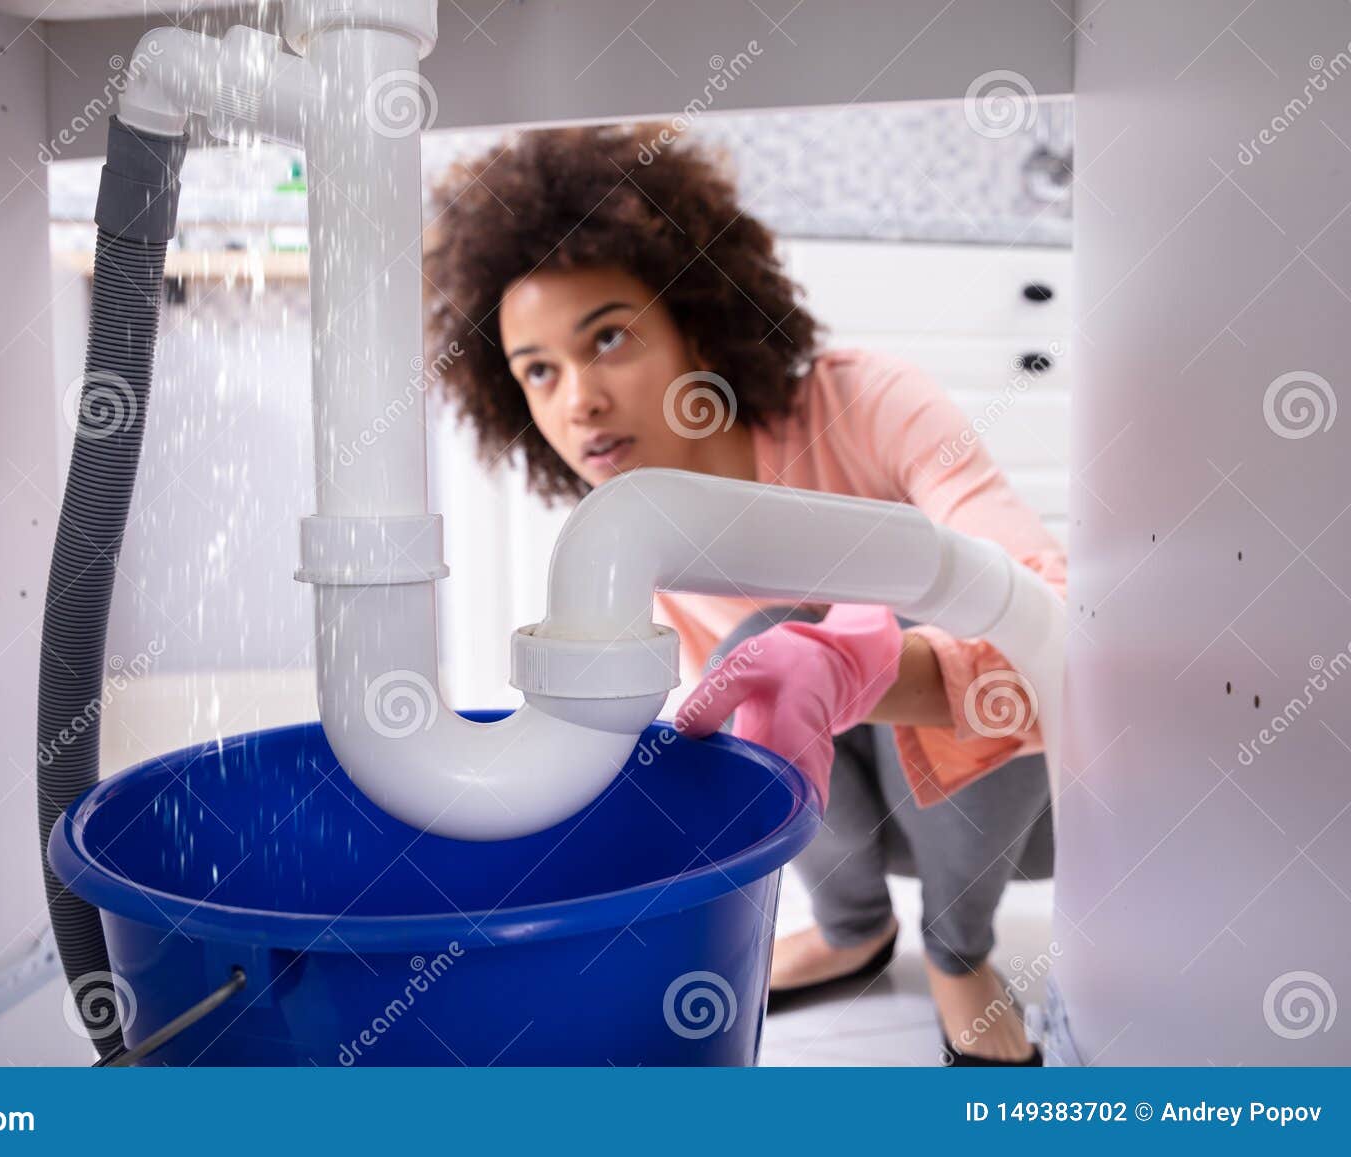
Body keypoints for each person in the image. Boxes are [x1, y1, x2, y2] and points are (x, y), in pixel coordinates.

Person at [424, 124, 1064, 1066]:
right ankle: (853, 928)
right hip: (878, 826)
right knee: (751, 654)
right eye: (539, 371)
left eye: (609, 337)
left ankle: (959, 950)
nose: (578, 403)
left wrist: (859, 663)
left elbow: (1056, 619)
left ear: (698, 317)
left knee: (865, 607)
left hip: (1026, 802)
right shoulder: (641, 525)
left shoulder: (868, 404)